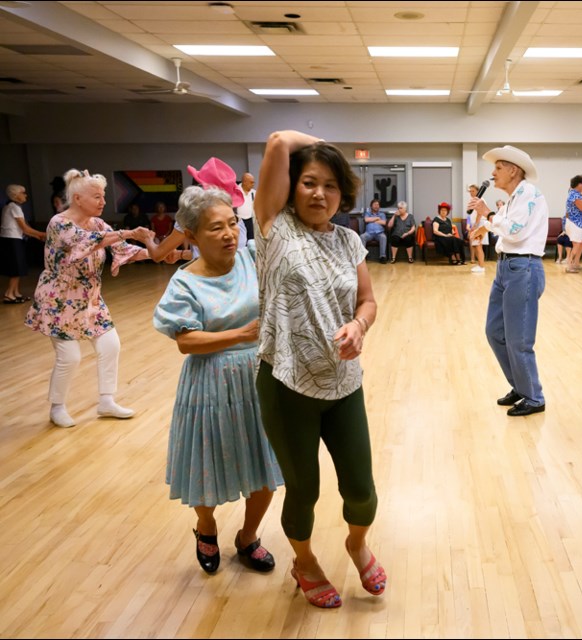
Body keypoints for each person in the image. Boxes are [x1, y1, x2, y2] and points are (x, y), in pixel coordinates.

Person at [254, 130, 385, 608]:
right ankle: (305, 560)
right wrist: (333, 145)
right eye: (309, 181)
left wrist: (358, 325)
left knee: (362, 490)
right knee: (303, 490)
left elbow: (369, 301)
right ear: (292, 188)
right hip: (286, 384)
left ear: (342, 194)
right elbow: (276, 140)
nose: (319, 193)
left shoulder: (350, 241)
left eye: (331, 185)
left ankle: (356, 543)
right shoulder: (273, 228)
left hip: (343, 383)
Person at [153, 185, 283, 575]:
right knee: (207, 464)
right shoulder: (185, 282)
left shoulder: (251, 259)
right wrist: (242, 335)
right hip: (210, 384)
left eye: (232, 224)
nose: (229, 234)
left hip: (260, 378)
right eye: (215, 228)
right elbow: (186, 341)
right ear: (191, 236)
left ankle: (248, 537)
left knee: (265, 467)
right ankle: (206, 527)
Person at [23, 169, 162, 428]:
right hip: (59, 301)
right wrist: (129, 232)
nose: (103, 202)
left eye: (104, 197)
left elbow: (123, 250)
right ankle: (57, 407)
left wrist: (159, 254)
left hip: (90, 299)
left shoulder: (99, 224)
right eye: (96, 197)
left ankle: (106, 401)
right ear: (77, 198)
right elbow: (86, 242)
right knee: (70, 357)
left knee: (110, 345)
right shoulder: (59, 223)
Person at [468, 145, 548, 417]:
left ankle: (534, 397)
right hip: (506, 268)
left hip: (522, 268)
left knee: (518, 339)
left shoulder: (528, 194)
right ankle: (521, 386)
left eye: (498, 168)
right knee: (495, 332)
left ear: (514, 170)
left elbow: (513, 231)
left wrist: (487, 214)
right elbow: (500, 225)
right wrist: (486, 221)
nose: (493, 173)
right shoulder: (515, 198)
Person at [150, 157, 248, 264]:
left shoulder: (192, 217)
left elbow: (158, 254)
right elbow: (213, 253)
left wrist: (147, 238)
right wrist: (181, 254)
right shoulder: (237, 223)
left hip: (207, 278)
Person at [2, 184, 46, 303]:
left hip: (13, 240)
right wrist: (42, 234)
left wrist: (38, 236)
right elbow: (25, 229)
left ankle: (16, 293)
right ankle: (9, 294)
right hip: (12, 240)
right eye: (23, 193)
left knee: (19, 267)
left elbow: (25, 229)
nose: (25, 195)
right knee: (16, 268)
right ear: (16, 195)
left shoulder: (11, 206)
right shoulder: (14, 207)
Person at [464, 184, 488, 273]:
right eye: (470, 191)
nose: (471, 193)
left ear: (478, 191)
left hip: (480, 223)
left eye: (473, 191)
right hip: (477, 223)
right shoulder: (474, 200)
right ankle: (480, 265)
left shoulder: (480, 200)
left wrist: (475, 225)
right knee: (477, 245)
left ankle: (481, 266)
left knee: (478, 245)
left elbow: (480, 213)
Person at [360, 198, 388, 263]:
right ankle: (362, 257)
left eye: (378, 205)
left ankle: (382, 257)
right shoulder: (367, 213)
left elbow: (384, 223)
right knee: (362, 236)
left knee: (383, 237)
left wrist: (372, 220)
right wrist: (377, 218)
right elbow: (366, 220)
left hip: (379, 233)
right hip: (369, 233)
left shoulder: (382, 214)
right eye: (375, 204)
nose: (376, 206)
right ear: (371, 206)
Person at [236, 171, 256, 240]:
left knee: (251, 241)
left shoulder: (253, 193)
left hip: (251, 221)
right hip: (239, 222)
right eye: (251, 182)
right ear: (244, 182)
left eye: (253, 182)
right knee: (241, 241)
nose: (253, 184)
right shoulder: (236, 191)